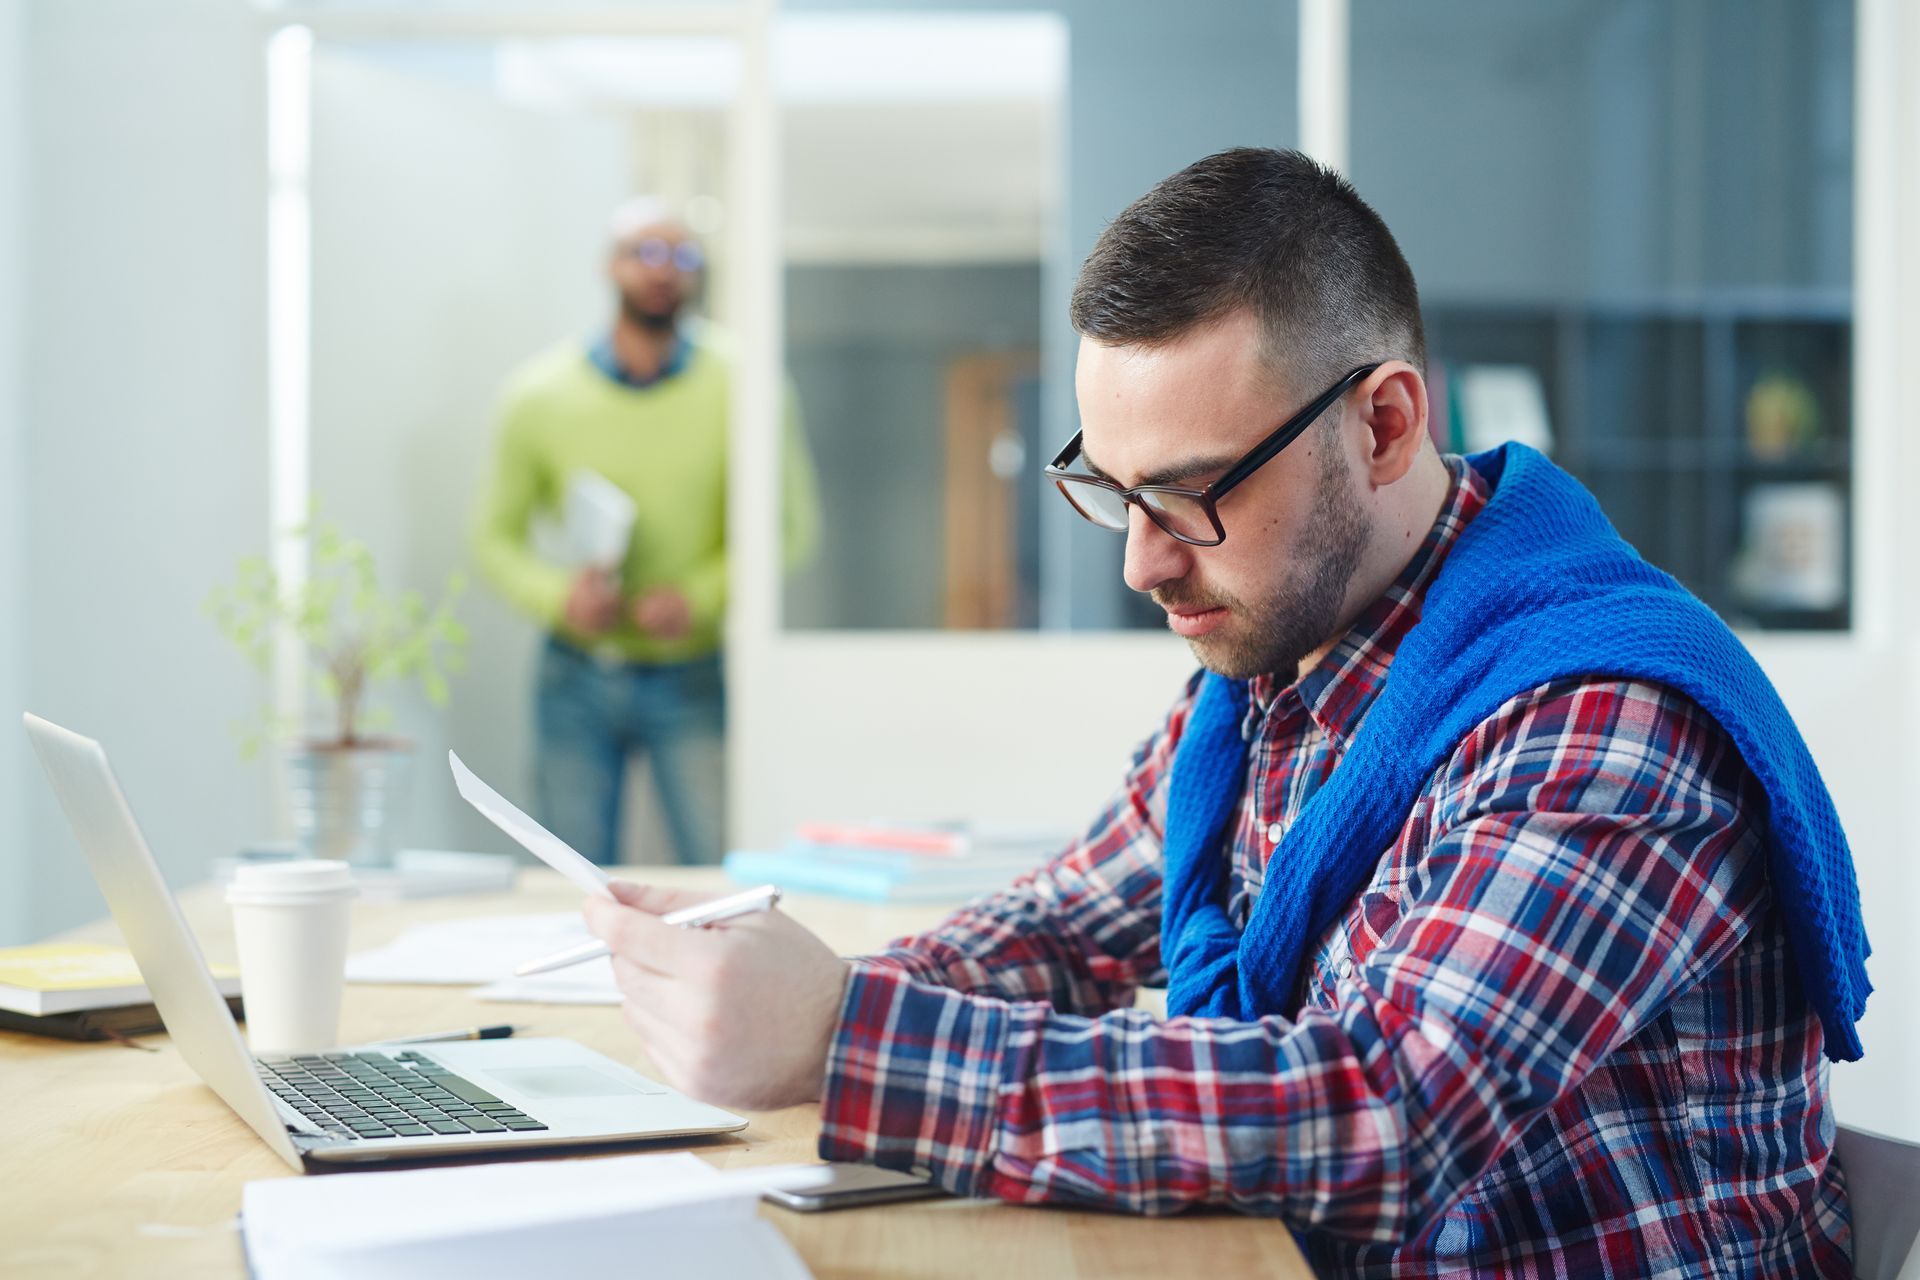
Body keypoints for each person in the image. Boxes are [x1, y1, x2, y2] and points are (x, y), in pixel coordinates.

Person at [580, 150, 1867, 1276]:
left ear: (1384, 424)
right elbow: (1070, 924)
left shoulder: (1601, 721)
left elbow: (1385, 1112)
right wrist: (772, 998)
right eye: (1112, 488)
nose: (1141, 562)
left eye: (1194, 495)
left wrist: (845, 1038)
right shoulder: (1279, 666)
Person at [474, 197, 818, 867]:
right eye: (644, 251)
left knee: (719, 870)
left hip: (692, 671)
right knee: (571, 876)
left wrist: (700, 595)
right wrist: (557, 596)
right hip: (574, 672)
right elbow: (495, 539)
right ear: (610, 266)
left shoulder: (747, 386)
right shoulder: (536, 396)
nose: (663, 269)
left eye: (681, 255)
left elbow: (792, 528)